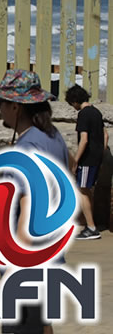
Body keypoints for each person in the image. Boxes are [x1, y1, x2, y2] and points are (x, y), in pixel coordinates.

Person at [0, 69, 69, 334]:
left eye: (0, 103)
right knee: (43, 325)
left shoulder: (26, 147)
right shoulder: (53, 136)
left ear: (15, 106)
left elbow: (27, 206)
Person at [65, 84, 108, 240]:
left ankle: (91, 228)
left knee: (82, 190)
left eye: (71, 103)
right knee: (87, 190)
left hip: (87, 158)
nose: (72, 107)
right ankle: (90, 223)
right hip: (96, 157)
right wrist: (101, 153)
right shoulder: (96, 112)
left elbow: (83, 140)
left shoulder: (83, 114)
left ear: (75, 100)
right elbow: (106, 135)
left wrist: (75, 161)